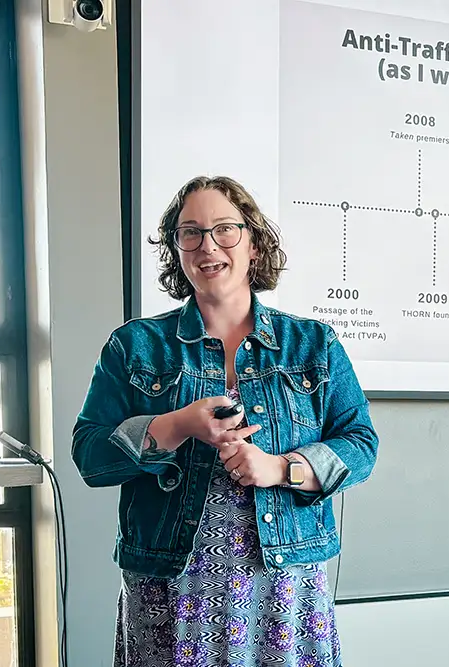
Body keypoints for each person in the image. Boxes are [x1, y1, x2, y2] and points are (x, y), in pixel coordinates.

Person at [71, 175, 379, 667]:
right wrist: (176, 426)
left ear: (254, 244)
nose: (207, 245)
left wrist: (281, 469)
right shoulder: (134, 347)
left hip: (284, 585)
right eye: (189, 232)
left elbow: (360, 444)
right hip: (170, 585)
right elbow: (90, 455)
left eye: (224, 229)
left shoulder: (314, 344)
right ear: (177, 250)